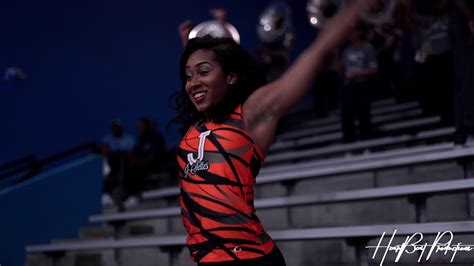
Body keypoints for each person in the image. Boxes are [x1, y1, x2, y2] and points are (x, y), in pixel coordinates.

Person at [171, 0, 374, 264]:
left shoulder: (250, 115)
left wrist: (356, 9)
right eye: (188, 76)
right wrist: (190, 45)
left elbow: (316, 54)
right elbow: (203, 78)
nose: (193, 82)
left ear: (231, 77)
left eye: (204, 72)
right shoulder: (197, 125)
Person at [340, 23, 378, 142]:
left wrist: (356, 73)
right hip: (349, 85)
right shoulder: (346, 50)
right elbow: (342, 70)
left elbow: (373, 69)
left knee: (363, 110)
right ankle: (349, 137)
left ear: (359, 32)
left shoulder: (367, 48)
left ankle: (366, 135)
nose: (350, 35)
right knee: (347, 112)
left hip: (362, 84)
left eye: (352, 32)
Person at [100, 119, 135, 208]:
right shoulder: (108, 138)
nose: (116, 129)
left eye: (118, 127)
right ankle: (106, 194)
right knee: (106, 167)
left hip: (125, 164)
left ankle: (129, 195)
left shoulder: (129, 139)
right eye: (114, 127)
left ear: (122, 128)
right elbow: (104, 151)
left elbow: (130, 153)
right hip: (111, 164)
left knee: (126, 166)